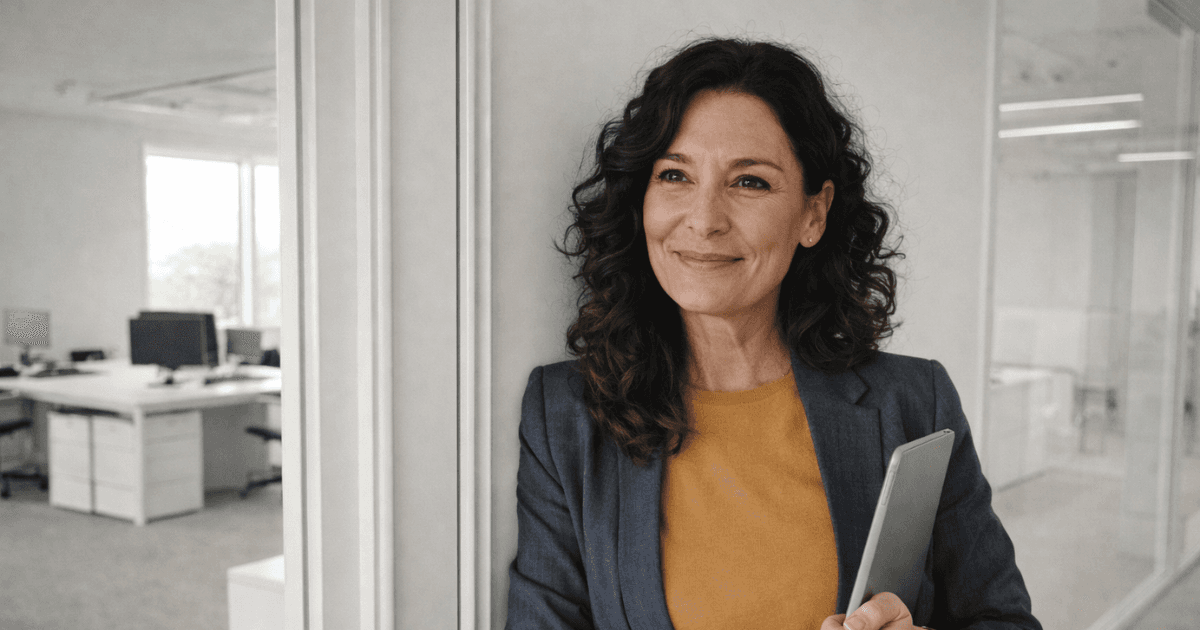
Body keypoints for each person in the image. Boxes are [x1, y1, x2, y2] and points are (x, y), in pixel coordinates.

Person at [506, 37, 1040, 630]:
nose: (704, 219)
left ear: (813, 214)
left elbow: (1004, 619)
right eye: (675, 175)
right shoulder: (564, 417)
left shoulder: (914, 403)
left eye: (750, 183)